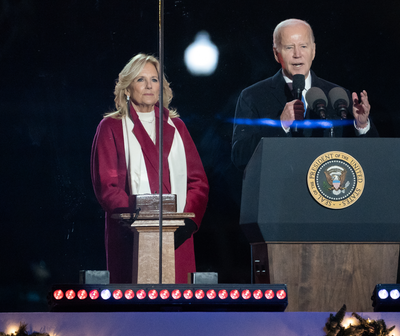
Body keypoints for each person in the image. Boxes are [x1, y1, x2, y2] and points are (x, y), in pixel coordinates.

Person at [91, 53, 209, 284]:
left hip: (176, 235)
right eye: (140, 79)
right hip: (131, 234)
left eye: (154, 80)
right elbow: (107, 186)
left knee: (177, 304)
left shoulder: (177, 126)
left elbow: (198, 183)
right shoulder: (111, 127)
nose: (148, 86)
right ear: (127, 88)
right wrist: (140, 223)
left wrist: (187, 225)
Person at [231, 18, 379, 170]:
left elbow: (374, 156)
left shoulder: (338, 95)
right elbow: (239, 155)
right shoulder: (253, 96)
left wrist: (362, 126)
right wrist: (280, 125)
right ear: (276, 54)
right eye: (289, 47)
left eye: (303, 46)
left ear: (313, 51)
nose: (297, 54)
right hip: (279, 190)